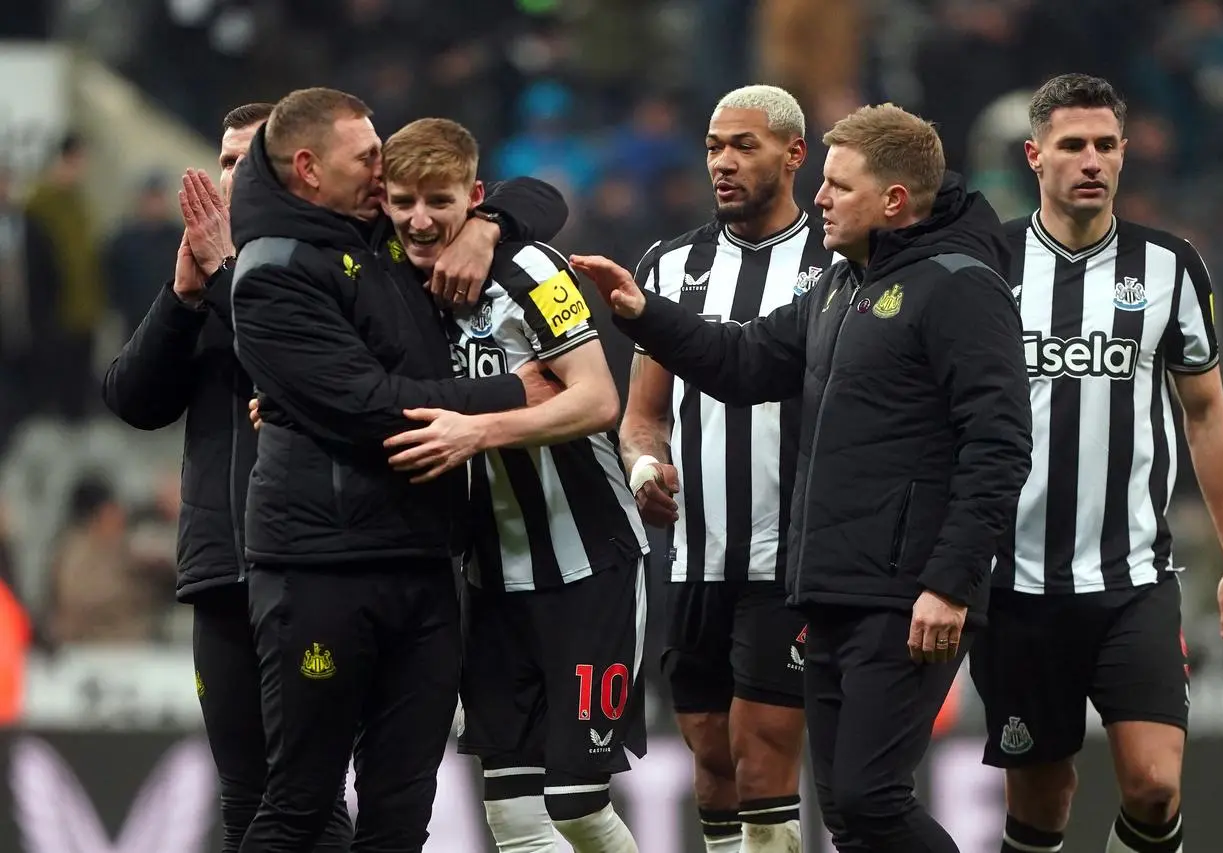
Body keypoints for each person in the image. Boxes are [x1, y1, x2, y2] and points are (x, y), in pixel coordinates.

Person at [101, 99, 567, 851]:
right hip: (242, 562)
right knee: (271, 802)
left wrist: (486, 225)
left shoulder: (354, 248)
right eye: (225, 161)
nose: (233, 176)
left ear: (298, 169)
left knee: (346, 807)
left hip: (359, 542)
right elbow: (133, 397)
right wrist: (188, 294)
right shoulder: (252, 275)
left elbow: (530, 193)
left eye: (246, 160)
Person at [571, 103, 1033, 853]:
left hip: (906, 590)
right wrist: (642, 311)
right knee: (849, 815)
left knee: (872, 798)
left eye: (838, 186)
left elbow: (1001, 443)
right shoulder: (840, 289)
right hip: (828, 585)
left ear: (893, 201)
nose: (820, 198)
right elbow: (744, 359)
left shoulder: (960, 286)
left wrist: (949, 581)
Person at [969, 73, 1223, 853]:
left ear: (1126, 154)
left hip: (1132, 577)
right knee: (1043, 802)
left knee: (1155, 780)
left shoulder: (1171, 267)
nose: (1091, 160)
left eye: (1106, 144)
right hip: (1015, 584)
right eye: (1073, 145)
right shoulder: (985, 267)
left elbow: (1208, 412)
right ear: (1035, 156)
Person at [371, 117, 648, 853]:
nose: (420, 219)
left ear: (475, 196)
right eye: (403, 201)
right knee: (515, 818)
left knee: (579, 804)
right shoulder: (394, 280)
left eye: (440, 200)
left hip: (588, 559)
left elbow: (596, 400)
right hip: (490, 576)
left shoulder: (533, 272)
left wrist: (477, 431)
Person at [619, 83, 836, 853]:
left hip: (794, 555)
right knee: (710, 754)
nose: (724, 162)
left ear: (795, 154)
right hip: (693, 554)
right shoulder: (669, 265)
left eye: (745, 145)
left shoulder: (836, 261)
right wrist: (644, 465)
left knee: (762, 749)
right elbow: (642, 414)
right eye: (714, 146)